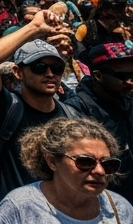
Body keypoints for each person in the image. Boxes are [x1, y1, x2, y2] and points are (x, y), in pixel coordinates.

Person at [0, 9, 73, 211]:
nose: (50, 73)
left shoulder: (70, 115)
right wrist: (34, 28)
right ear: (18, 72)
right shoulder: (4, 109)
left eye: (57, 68)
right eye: (39, 67)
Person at [0, 117, 133, 224]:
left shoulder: (120, 208)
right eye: (85, 161)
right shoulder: (20, 207)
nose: (100, 171)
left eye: (108, 164)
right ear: (52, 162)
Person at [62, 41, 133, 200]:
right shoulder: (78, 109)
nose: (130, 82)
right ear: (98, 75)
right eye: (122, 76)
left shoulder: (127, 99)